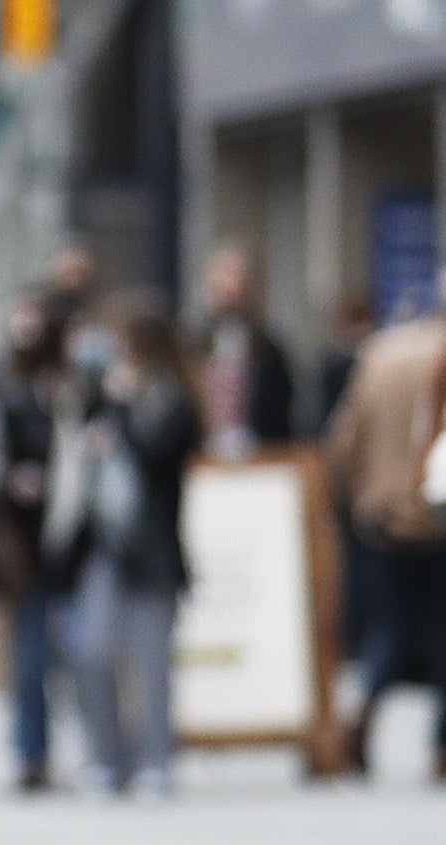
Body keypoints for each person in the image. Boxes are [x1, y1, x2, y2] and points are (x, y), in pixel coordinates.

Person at [49, 303, 198, 795]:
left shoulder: (171, 400)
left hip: (150, 550)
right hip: (102, 547)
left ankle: (155, 761)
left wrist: (127, 408)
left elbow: (161, 456)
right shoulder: (101, 398)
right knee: (89, 651)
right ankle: (106, 756)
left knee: (151, 661)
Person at [318, 294, 446, 780]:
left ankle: (362, 716)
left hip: (383, 514)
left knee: (388, 629)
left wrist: (355, 497)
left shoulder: (380, 353)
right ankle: (440, 749)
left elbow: (345, 438)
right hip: (437, 513)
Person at [0, 295, 69, 791]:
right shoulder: (9, 396)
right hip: (28, 543)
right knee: (31, 655)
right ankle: (32, 752)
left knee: (82, 653)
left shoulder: (78, 393)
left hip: (79, 542)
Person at [190, 245, 296, 455]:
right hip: (203, 457)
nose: (232, 286)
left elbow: (280, 414)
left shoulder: (269, 348)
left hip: (257, 457)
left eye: (238, 276)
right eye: (225, 275)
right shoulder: (194, 344)